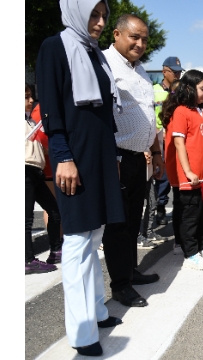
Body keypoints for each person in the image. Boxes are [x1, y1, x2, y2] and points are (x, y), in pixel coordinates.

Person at [36, 0, 124, 355]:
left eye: (104, 15)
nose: (101, 22)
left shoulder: (94, 53)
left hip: (100, 155)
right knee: (76, 241)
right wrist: (63, 158)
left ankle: (97, 310)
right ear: (76, 10)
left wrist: (113, 155)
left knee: (95, 234)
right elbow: (51, 107)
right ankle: (82, 332)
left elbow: (106, 111)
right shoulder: (54, 47)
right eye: (94, 14)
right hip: (75, 155)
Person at [101, 13, 165, 308]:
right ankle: (120, 285)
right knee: (118, 224)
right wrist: (110, 156)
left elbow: (148, 115)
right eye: (134, 37)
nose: (140, 44)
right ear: (116, 34)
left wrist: (157, 151)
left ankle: (130, 270)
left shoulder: (140, 71)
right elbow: (101, 115)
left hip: (141, 157)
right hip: (117, 158)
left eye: (144, 39)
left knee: (133, 220)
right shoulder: (103, 64)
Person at [162, 70, 203, 270]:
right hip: (190, 175)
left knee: (199, 213)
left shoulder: (201, 113)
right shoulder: (181, 111)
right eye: (202, 89)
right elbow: (179, 143)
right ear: (189, 89)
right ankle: (190, 252)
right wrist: (188, 171)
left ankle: (202, 245)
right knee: (189, 215)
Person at [25, 84, 63, 273]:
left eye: (31, 96)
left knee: (54, 210)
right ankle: (27, 259)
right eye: (26, 97)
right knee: (26, 218)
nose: (31, 101)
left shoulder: (30, 121)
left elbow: (40, 147)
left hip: (36, 170)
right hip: (24, 170)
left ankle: (56, 250)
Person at [154, 56, 185, 225]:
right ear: (164, 71)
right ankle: (159, 207)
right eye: (174, 71)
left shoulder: (181, 92)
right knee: (162, 176)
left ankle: (170, 206)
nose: (178, 74)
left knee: (174, 175)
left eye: (179, 71)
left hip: (176, 139)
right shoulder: (154, 91)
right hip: (159, 141)